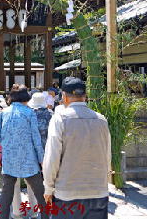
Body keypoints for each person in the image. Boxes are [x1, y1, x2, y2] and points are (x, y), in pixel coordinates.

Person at [43, 77, 111, 219]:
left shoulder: (60, 119)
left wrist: (48, 188)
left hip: (67, 192)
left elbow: (52, 158)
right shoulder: (101, 120)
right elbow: (107, 156)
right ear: (85, 97)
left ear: (64, 97)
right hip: (98, 192)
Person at [0, 84, 49, 219]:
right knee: (40, 192)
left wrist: (10, 145)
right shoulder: (29, 113)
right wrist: (41, 159)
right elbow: (36, 139)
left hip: (9, 160)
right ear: (26, 98)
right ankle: (45, 217)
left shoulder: (3, 113)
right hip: (28, 160)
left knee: (6, 194)